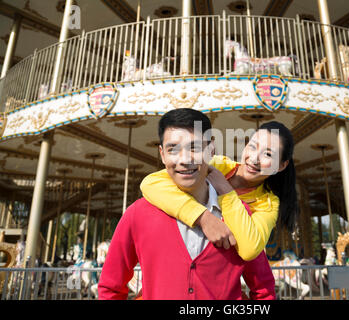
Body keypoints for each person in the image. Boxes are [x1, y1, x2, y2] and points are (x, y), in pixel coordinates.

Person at [98, 108, 275, 300]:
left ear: (211, 150)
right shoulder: (137, 214)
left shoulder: (240, 215)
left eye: (195, 148)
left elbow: (263, 290)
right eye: (172, 149)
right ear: (162, 154)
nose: (184, 160)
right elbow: (111, 288)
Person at [140, 120, 299, 261]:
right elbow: (150, 183)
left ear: (281, 166)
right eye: (252, 147)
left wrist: (225, 190)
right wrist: (203, 218)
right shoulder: (218, 165)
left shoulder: (267, 204)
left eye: (268, 154)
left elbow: (249, 250)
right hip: (172, 250)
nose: (254, 158)